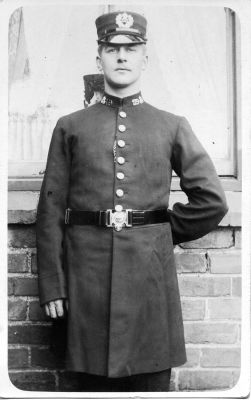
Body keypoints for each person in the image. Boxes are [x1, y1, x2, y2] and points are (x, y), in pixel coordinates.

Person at [36, 10, 228, 392]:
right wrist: (53, 285)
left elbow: (212, 200)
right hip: (85, 280)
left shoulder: (171, 125)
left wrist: (159, 232)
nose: (121, 57)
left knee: (151, 381)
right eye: (112, 48)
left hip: (148, 279)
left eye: (131, 49)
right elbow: (50, 211)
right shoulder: (70, 126)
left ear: (145, 59)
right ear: (99, 58)